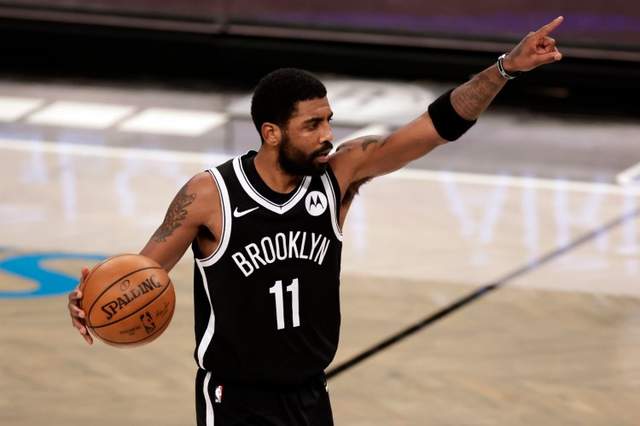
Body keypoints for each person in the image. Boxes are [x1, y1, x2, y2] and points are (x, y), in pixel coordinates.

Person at [68, 16, 564, 426]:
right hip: (235, 401)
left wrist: (505, 69)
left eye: (328, 120)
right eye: (312, 125)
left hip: (310, 395)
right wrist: (92, 300)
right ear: (272, 133)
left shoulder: (340, 174)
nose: (327, 134)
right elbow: (142, 275)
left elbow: (435, 127)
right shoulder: (210, 195)